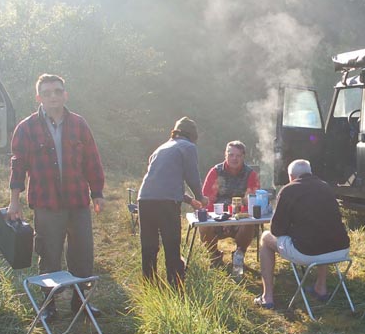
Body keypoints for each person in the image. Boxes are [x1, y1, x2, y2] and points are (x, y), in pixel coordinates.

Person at [7, 74, 105, 320]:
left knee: (82, 253)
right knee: (49, 253)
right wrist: (14, 200)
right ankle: (49, 304)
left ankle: (80, 302)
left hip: (78, 201)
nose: (53, 96)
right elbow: (18, 166)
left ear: (65, 95)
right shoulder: (26, 128)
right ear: (38, 97)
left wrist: (97, 193)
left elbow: (92, 160)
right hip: (46, 202)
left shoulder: (79, 124)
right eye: (47, 92)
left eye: (58, 91)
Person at [255, 159, 350, 310]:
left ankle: (267, 297)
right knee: (322, 234)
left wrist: (290, 228)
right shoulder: (326, 187)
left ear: (291, 176)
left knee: (266, 238)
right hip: (341, 250)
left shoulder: (288, 190)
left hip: (307, 253)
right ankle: (321, 287)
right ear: (310, 173)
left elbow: (276, 230)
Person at [137, 117, 207, 289]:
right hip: (166, 203)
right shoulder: (188, 147)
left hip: (144, 199)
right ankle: (176, 288)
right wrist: (200, 196)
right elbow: (192, 176)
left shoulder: (161, 148)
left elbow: (162, 182)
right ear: (193, 135)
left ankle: (149, 288)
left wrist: (190, 200)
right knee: (171, 245)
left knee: (149, 247)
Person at [199, 140, 260, 271]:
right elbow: (207, 199)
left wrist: (234, 218)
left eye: (238, 156)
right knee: (203, 226)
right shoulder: (215, 171)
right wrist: (221, 219)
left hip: (241, 217)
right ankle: (215, 256)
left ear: (243, 156)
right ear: (225, 155)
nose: (234, 158)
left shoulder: (251, 174)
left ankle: (239, 255)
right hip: (217, 216)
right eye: (231, 155)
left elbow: (251, 200)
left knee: (249, 224)